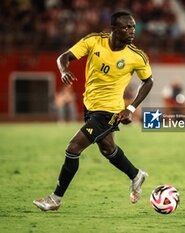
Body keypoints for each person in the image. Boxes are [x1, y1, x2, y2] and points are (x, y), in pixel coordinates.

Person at [33, 10, 153, 211]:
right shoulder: (94, 41)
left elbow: (148, 81)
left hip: (109, 112)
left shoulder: (136, 56)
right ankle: (136, 175)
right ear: (113, 29)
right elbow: (64, 57)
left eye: (133, 26)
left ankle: (55, 199)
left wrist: (130, 108)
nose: (131, 31)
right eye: (126, 27)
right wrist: (64, 71)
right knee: (108, 149)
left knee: (73, 148)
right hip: (90, 105)